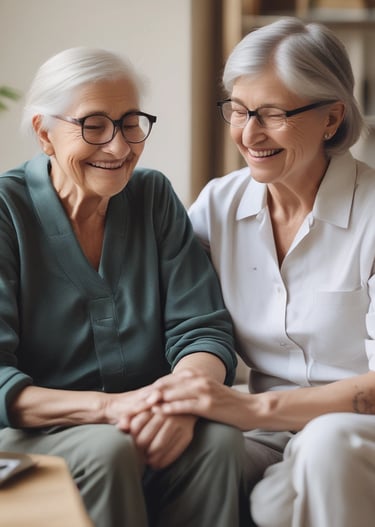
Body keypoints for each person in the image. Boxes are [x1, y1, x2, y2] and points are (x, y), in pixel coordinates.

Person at [0, 46, 249, 527]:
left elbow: (203, 330)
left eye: (131, 122)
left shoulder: (153, 196)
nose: (119, 147)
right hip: (28, 434)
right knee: (107, 449)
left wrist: (181, 398)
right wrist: (112, 408)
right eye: (94, 125)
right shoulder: (6, 211)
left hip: (142, 417)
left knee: (218, 441)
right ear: (44, 133)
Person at [147, 17, 375, 527]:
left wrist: (250, 411)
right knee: (188, 456)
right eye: (239, 110)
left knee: (326, 446)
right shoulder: (218, 205)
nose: (249, 134)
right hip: (267, 433)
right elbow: (180, 319)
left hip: (356, 428)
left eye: (272, 114)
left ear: (332, 118)